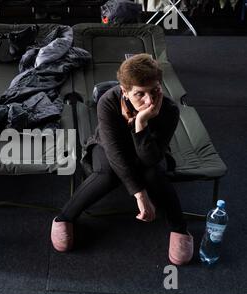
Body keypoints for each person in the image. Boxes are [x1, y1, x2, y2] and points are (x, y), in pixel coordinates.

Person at [50, 53, 194, 266]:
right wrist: (140, 195)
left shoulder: (169, 110)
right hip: (109, 146)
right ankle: (64, 218)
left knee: (154, 173)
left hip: (148, 150)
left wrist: (141, 124)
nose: (149, 101)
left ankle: (180, 228)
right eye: (140, 94)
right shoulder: (108, 102)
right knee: (107, 173)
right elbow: (115, 153)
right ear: (124, 91)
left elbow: (151, 158)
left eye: (154, 91)